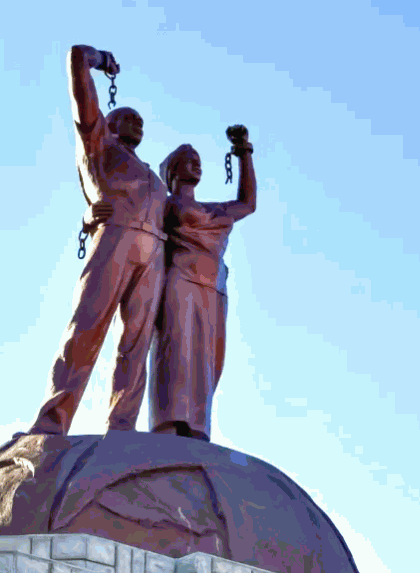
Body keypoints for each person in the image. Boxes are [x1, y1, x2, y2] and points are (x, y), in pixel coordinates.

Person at [31, 44, 169, 436]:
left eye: (141, 120)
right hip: (116, 237)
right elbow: (77, 59)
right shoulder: (98, 143)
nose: (137, 121)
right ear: (107, 121)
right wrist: (101, 60)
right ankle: (53, 419)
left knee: (137, 343)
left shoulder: (149, 173)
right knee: (88, 326)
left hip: (153, 251)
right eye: (128, 116)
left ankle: (122, 425)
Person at [148, 129, 257, 440]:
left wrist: (244, 152)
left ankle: (197, 428)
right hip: (180, 281)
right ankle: (168, 425)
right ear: (173, 170)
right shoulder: (165, 205)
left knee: (206, 362)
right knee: (175, 353)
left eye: (198, 160)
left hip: (213, 290)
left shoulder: (215, 210)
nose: (196, 164)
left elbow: (247, 203)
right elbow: (132, 215)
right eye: (188, 160)